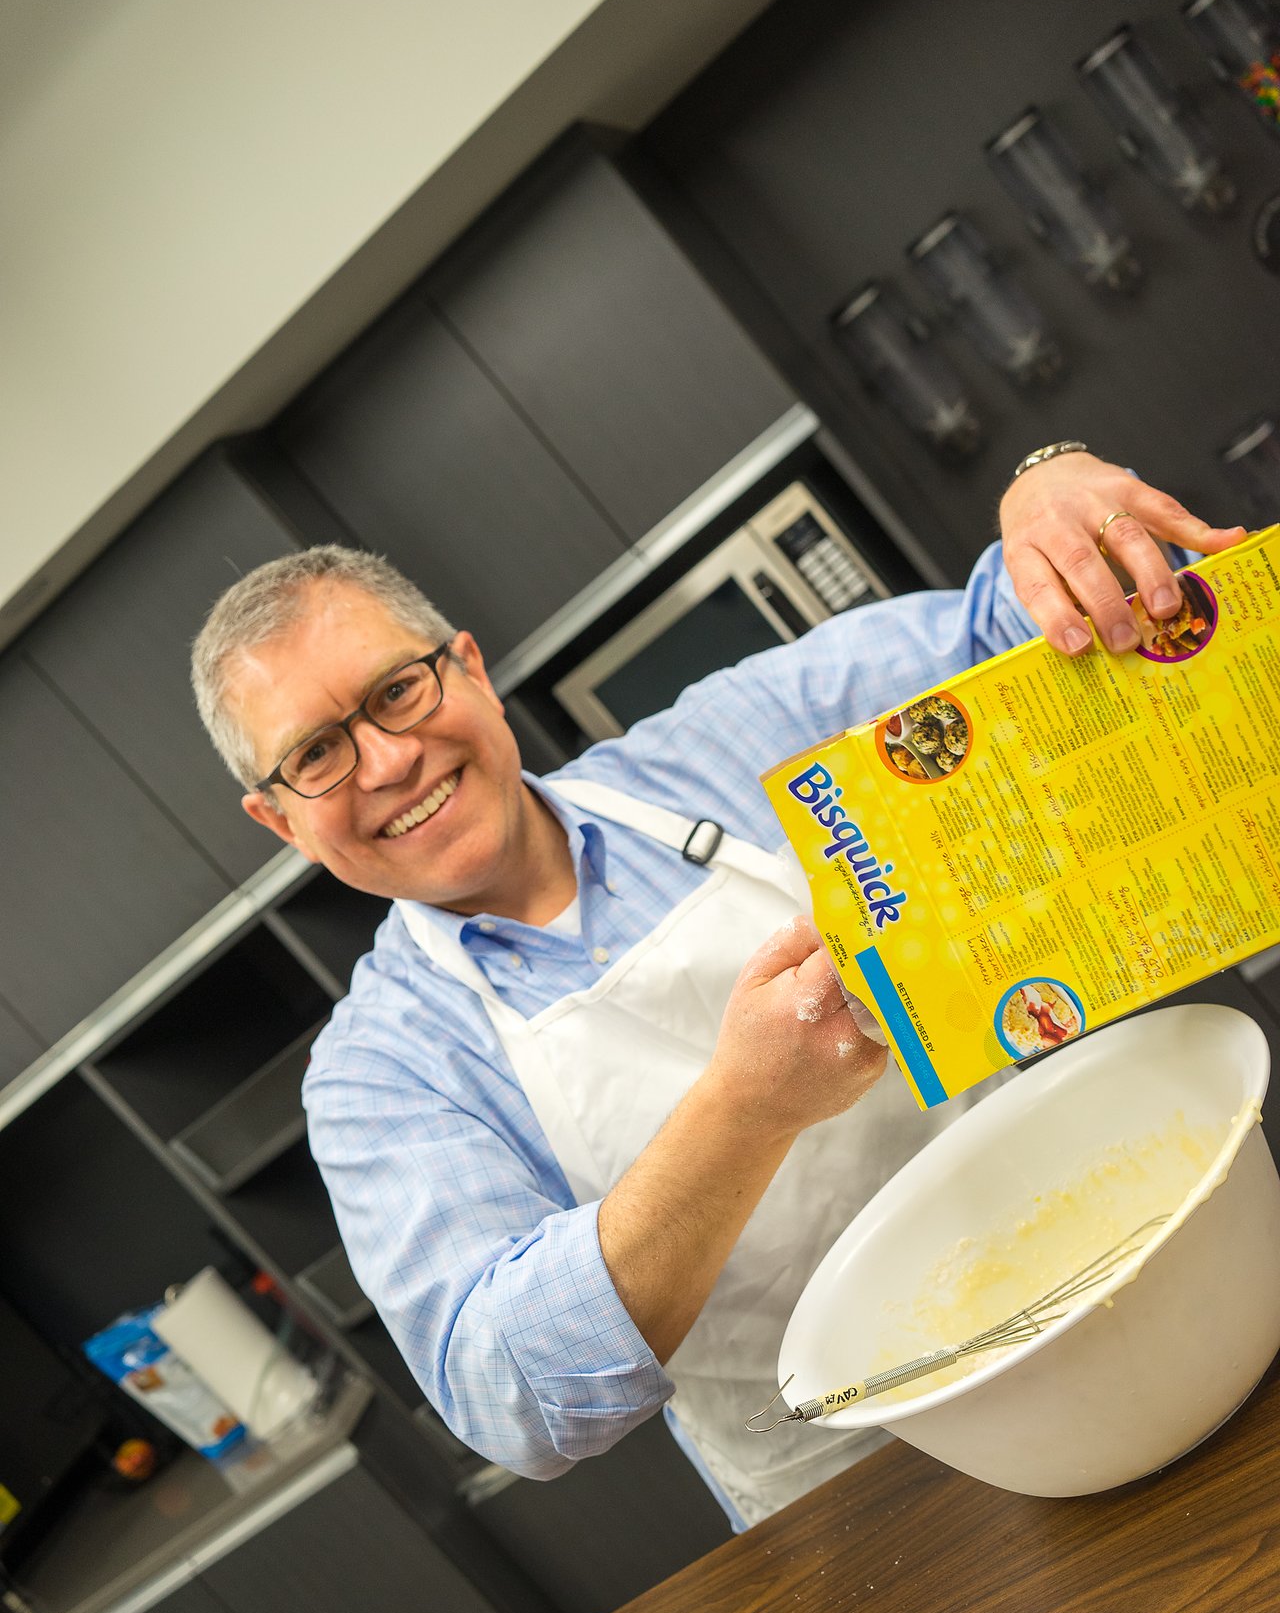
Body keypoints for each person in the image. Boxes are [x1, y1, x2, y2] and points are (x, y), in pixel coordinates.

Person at [191, 448, 1243, 1528]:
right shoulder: (382, 1077)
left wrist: (1045, 494)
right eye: (316, 754)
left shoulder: (737, 737)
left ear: (468, 669)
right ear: (278, 821)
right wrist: (746, 1108)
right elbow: (513, 1396)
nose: (385, 762)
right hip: (873, 1515)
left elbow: (1006, 636)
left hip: (1133, 1297)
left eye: (397, 692)